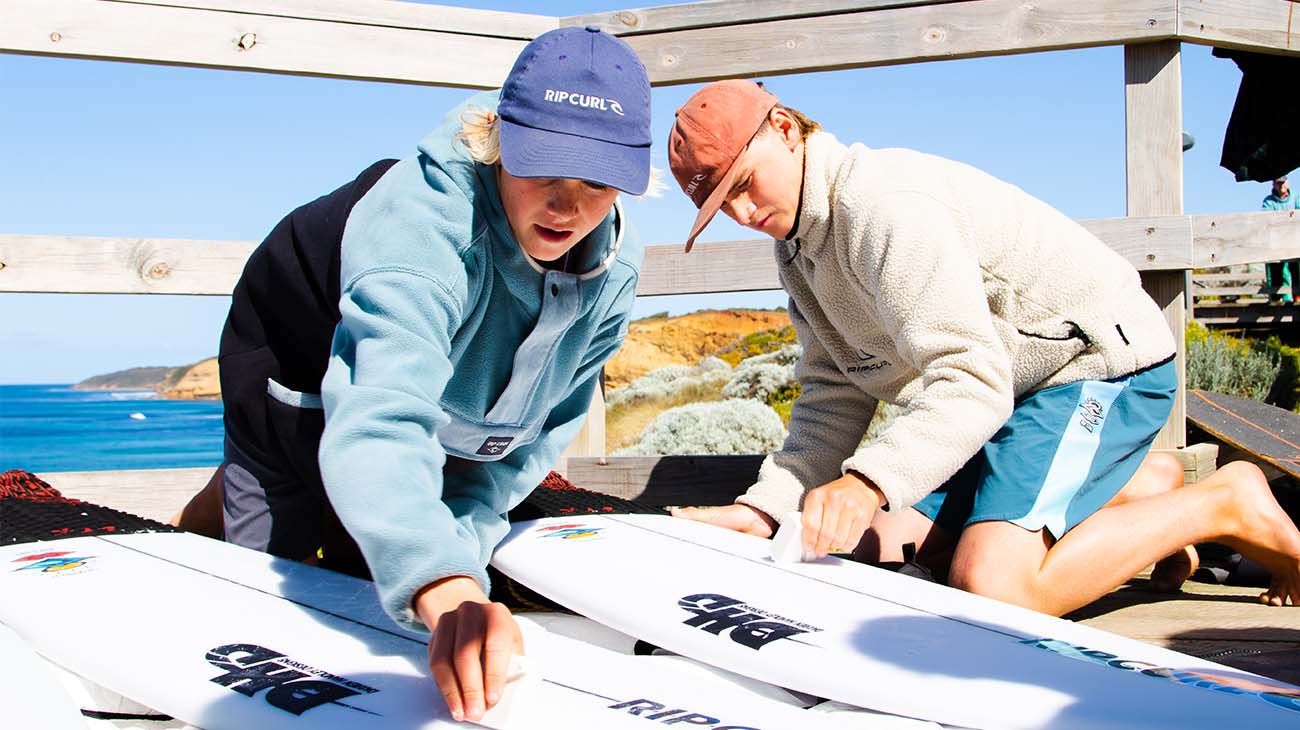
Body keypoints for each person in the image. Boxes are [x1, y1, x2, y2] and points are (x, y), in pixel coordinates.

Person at [666, 79, 1300, 613]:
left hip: (1099, 368)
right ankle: (1139, 484)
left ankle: (1226, 502)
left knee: (993, 584)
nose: (744, 214)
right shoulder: (799, 245)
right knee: (879, 545)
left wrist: (865, 481)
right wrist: (767, 509)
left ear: (784, 127)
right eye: (722, 206)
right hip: (1014, 396)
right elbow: (835, 389)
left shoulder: (884, 208)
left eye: (744, 184)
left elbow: (971, 381)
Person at [179, 27, 652, 722]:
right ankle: (225, 496)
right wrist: (442, 583)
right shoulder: (420, 225)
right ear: (496, 138)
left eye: (597, 181)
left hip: (429, 388)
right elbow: (381, 418)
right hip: (296, 348)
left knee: (384, 580)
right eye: (542, 168)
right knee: (274, 603)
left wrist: (454, 563)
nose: (566, 206)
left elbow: (534, 434)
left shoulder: (615, 269)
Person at [1262, 175, 1299, 303]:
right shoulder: (1269, 201)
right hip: (1277, 243)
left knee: (1297, 269)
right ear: (1273, 184)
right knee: (1277, 270)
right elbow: (1265, 217)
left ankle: (1297, 297)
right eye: (1278, 183)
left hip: (1295, 242)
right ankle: (1278, 298)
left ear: (1287, 183)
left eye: (1283, 182)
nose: (1281, 185)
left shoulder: (1296, 197)